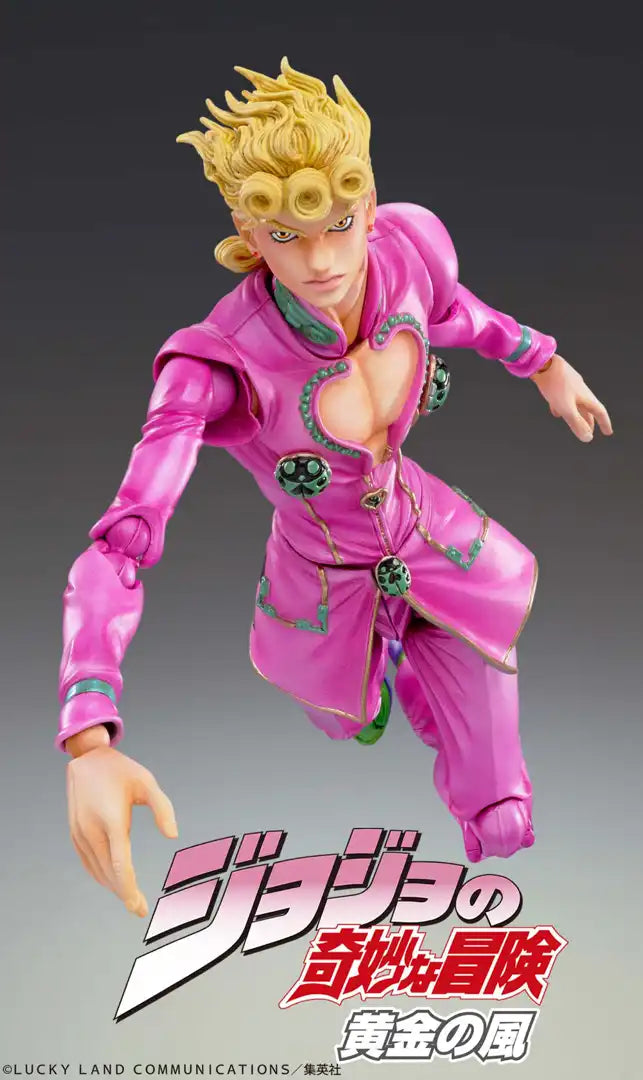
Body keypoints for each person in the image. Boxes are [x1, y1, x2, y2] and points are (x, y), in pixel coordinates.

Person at [58, 58, 612, 918]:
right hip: (317, 580)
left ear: (369, 202)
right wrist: (89, 738)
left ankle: (439, 692)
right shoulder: (217, 362)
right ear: (248, 230)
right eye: (287, 236)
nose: (321, 260)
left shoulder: (407, 254)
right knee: (348, 716)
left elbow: (456, 314)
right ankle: (396, 680)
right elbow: (121, 544)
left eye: (341, 225)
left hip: (426, 532)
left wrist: (543, 361)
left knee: (502, 820)